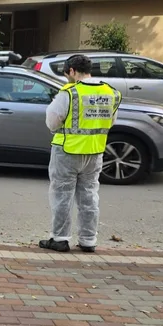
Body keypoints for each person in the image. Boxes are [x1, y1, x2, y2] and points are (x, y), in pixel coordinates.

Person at [39, 54, 121, 253]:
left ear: (72, 71)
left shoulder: (70, 93)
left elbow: (52, 123)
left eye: (66, 74)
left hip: (67, 151)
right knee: (89, 197)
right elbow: (110, 122)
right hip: (95, 152)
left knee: (62, 196)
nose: (67, 77)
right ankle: (88, 240)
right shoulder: (111, 93)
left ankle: (60, 239)